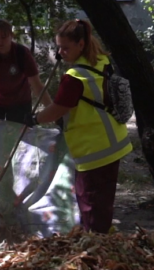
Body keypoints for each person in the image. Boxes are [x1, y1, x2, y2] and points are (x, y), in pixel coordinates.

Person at [26, 19, 132, 233]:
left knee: (90, 202)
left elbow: (58, 109)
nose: (60, 52)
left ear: (81, 44)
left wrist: (34, 119)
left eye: (66, 47)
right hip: (113, 142)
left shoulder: (74, 77)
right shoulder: (100, 60)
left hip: (95, 148)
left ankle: (95, 245)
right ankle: (99, 238)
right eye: (58, 47)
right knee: (102, 201)